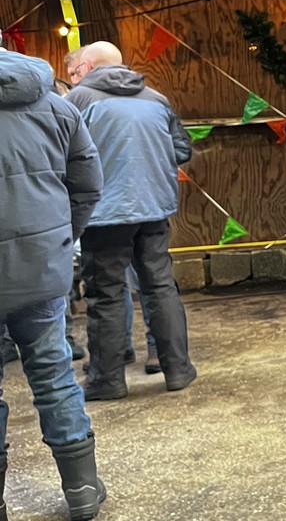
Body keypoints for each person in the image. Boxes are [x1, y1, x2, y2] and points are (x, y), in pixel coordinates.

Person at [0, 50, 107, 520]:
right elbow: (88, 185)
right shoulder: (56, 106)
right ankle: (81, 490)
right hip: (41, 270)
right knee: (53, 374)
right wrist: (59, 241)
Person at [66, 41, 196, 400]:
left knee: (105, 294)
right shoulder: (156, 98)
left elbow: (60, 154)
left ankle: (107, 380)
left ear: (87, 67)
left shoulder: (76, 101)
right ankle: (178, 370)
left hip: (103, 213)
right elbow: (182, 149)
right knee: (160, 287)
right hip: (154, 207)